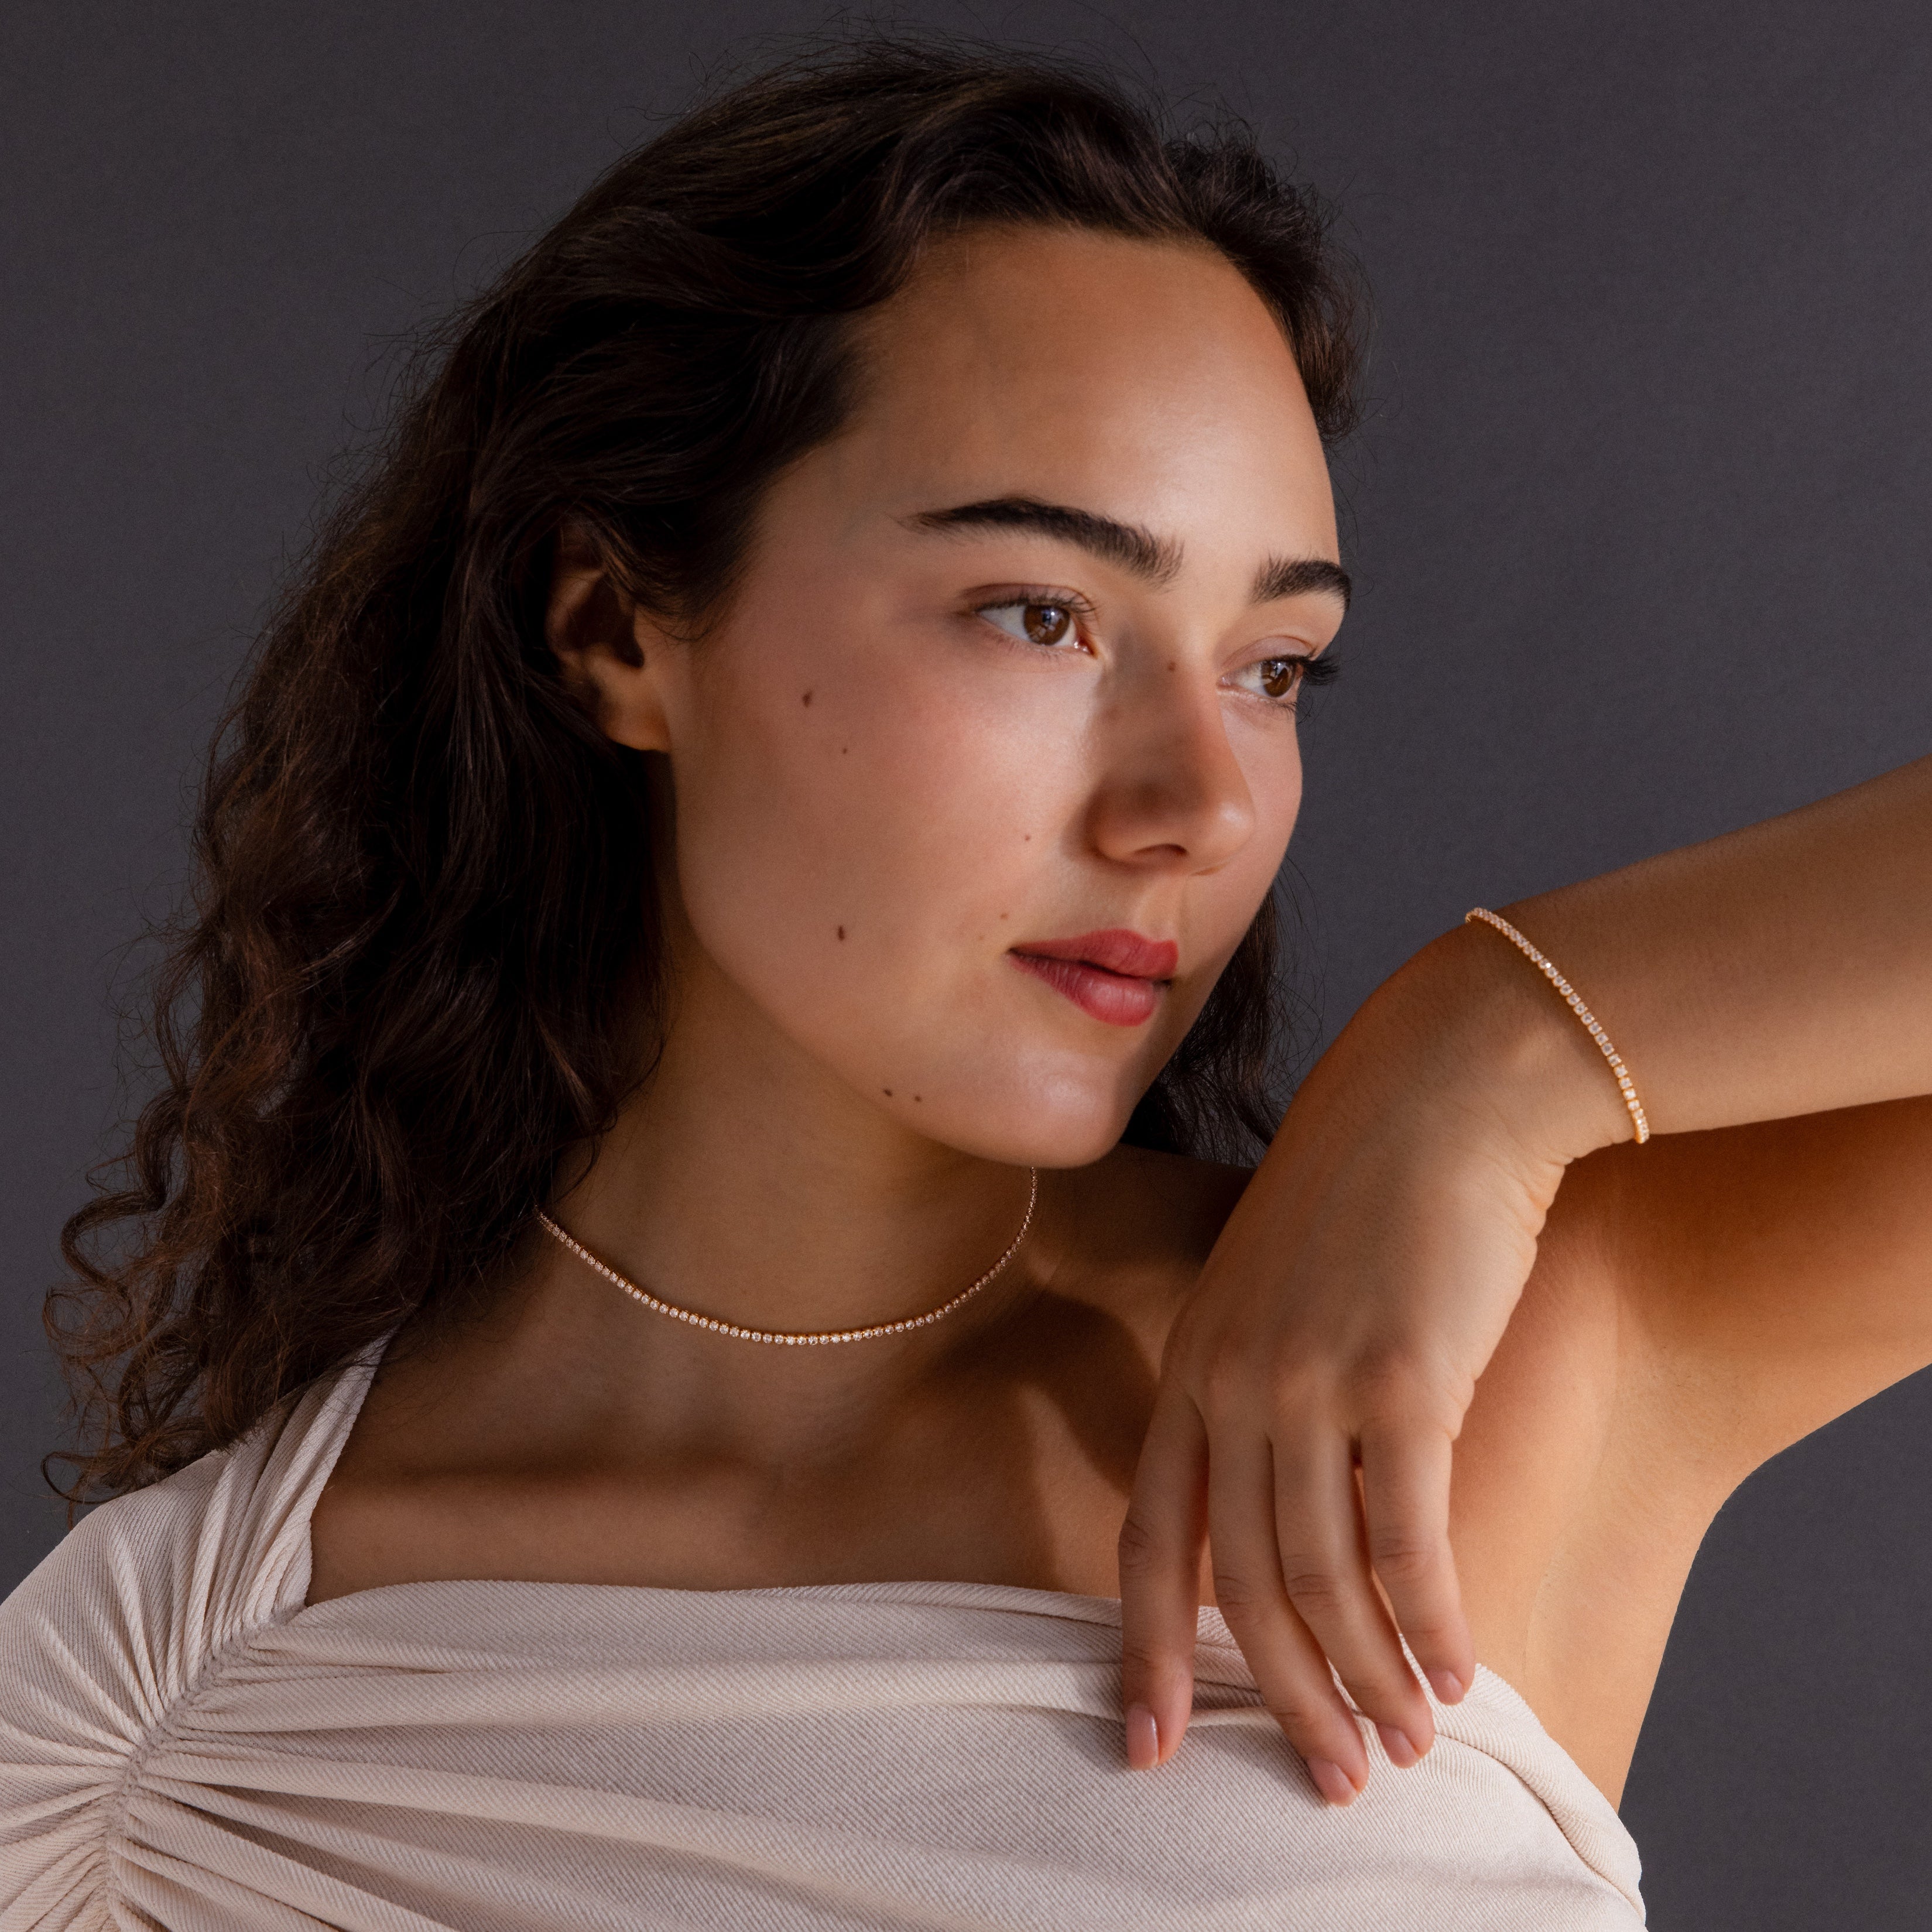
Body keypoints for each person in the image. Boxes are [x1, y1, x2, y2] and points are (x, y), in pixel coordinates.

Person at [2, 39, 1927, 1932]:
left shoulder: (1465, 1365)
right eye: (1043, 613)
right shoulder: (158, 1732)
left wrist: (1498, 1039)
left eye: (1272, 665)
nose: (1198, 803)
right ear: (609, 629)